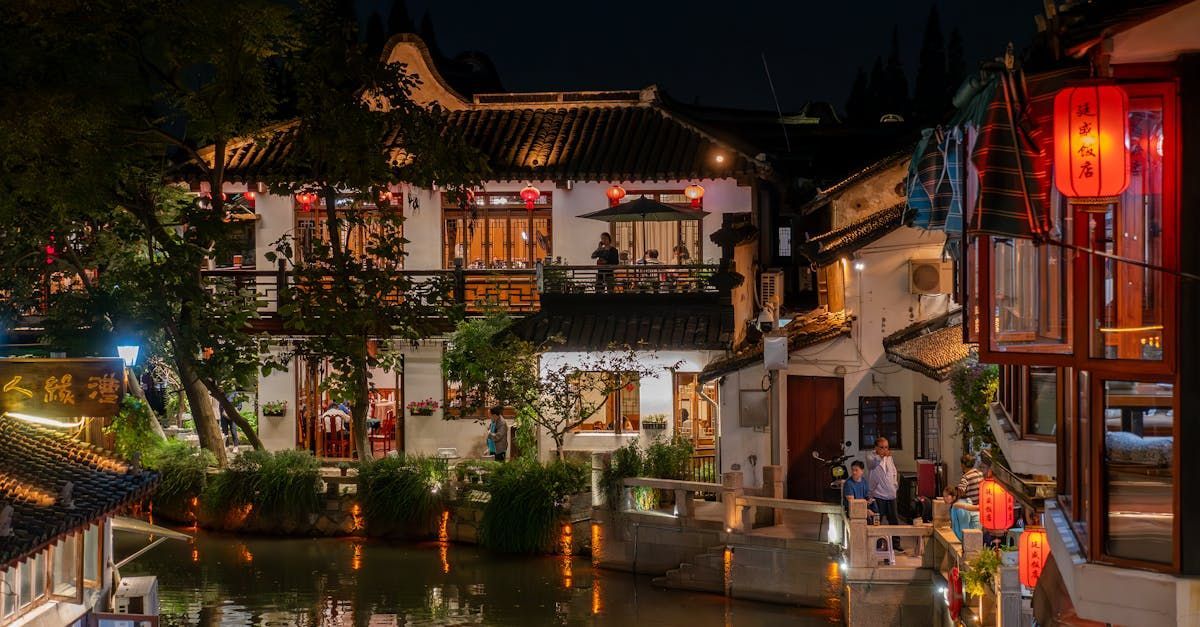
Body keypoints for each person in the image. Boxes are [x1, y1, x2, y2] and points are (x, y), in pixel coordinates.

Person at [866, 436, 903, 552]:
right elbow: (872, 463)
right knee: (877, 520)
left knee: (894, 520)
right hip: (878, 494)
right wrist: (881, 456)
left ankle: (896, 543)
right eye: (881, 447)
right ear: (876, 447)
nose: (884, 450)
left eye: (886, 447)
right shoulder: (871, 456)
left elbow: (893, 472)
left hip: (891, 494)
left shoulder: (889, 458)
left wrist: (895, 485)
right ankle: (875, 544)